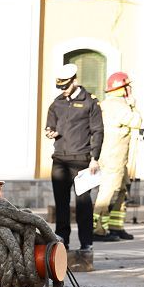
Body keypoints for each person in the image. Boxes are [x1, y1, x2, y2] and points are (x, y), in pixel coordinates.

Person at [45, 63, 103, 272]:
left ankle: (86, 244)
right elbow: (49, 126)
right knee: (61, 205)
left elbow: (98, 131)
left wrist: (95, 157)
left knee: (83, 205)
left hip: (82, 160)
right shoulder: (57, 103)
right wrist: (51, 132)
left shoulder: (90, 102)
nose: (62, 89)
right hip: (60, 159)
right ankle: (62, 243)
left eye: (65, 86)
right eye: (59, 86)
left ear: (74, 81)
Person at [93, 71, 142, 241]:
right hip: (113, 158)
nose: (130, 89)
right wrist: (133, 105)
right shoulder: (117, 104)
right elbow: (136, 121)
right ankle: (97, 229)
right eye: (127, 86)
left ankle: (116, 226)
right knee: (108, 191)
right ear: (122, 88)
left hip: (119, 159)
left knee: (122, 191)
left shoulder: (113, 103)